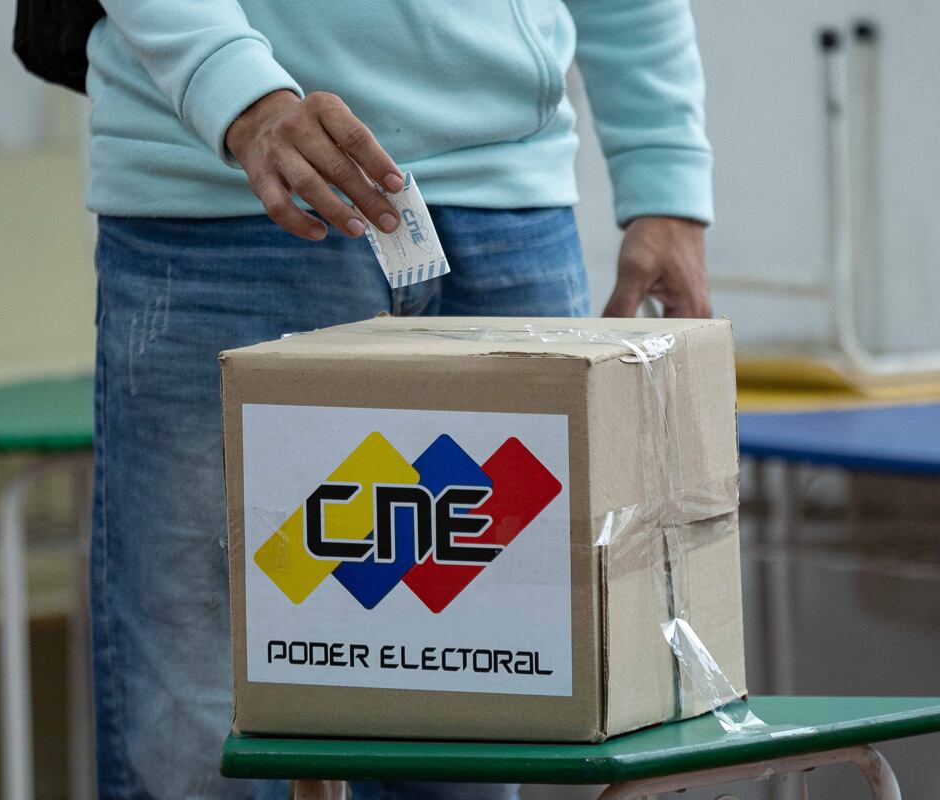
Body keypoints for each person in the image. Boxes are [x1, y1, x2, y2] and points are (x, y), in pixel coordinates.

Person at [84, 1, 713, 798]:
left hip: (507, 213)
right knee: (204, 729)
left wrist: (665, 176)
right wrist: (239, 95)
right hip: (227, 205)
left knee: (479, 710)